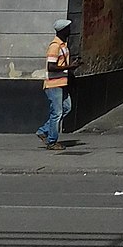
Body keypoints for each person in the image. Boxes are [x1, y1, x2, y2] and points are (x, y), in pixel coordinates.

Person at [36, 16, 74, 149]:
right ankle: (52, 141)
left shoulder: (63, 45)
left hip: (61, 83)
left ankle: (43, 131)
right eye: (68, 28)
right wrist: (70, 67)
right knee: (56, 113)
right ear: (62, 30)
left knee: (67, 108)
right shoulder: (55, 46)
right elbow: (51, 66)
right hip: (54, 84)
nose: (70, 30)